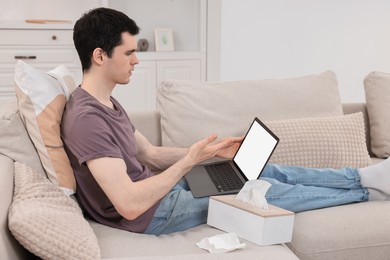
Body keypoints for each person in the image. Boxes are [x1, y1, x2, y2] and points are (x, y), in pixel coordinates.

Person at [61, 7, 390, 236]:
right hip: (152, 215)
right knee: (262, 192)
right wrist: (188, 162)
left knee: (260, 171)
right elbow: (130, 205)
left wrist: (207, 152)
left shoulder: (106, 102)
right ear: (100, 55)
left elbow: (148, 154)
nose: (136, 60)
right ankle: (367, 193)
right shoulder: (86, 119)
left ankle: (360, 176)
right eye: (128, 53)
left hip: (159, 193)